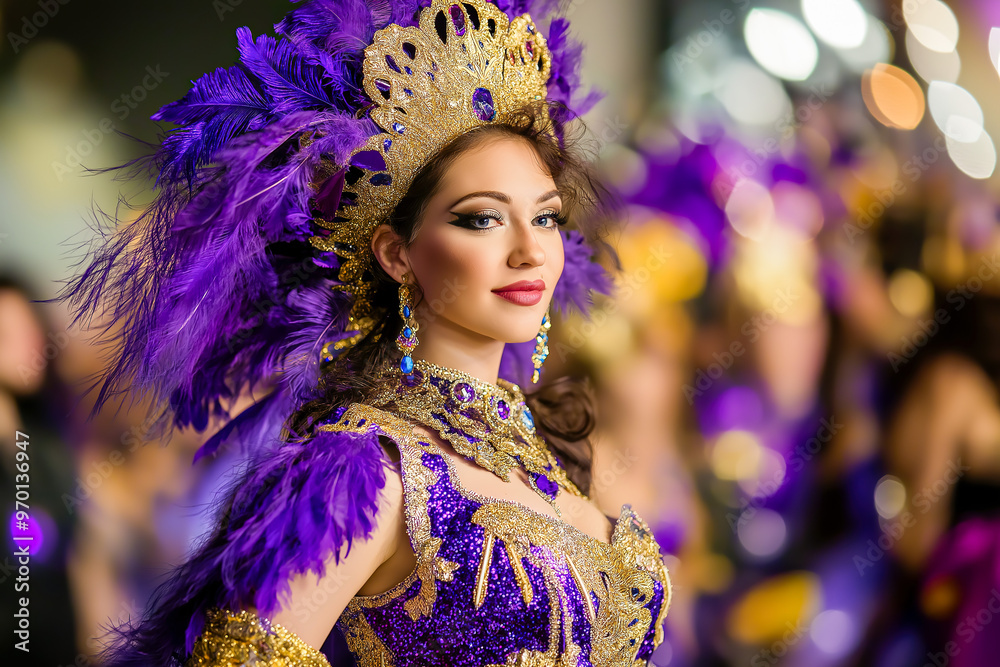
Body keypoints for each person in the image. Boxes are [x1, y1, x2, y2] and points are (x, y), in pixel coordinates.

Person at [61, 1, 672, 664]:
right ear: (397, 253)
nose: (529, 250)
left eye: (546, 218)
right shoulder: (365, 471)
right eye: (481, 220)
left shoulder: (552, 453)